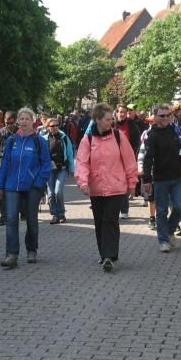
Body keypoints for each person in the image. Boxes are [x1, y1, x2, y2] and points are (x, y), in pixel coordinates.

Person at [75, 102, 138, 272]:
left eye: (112, 119)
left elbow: (129, 161)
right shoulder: (88, 139)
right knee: (100, 221)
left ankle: (109, 256)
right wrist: (83, 182)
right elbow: (81, 163)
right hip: (96, 188)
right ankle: (105, 255)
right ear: (97, 119)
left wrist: (132, 183)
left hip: (116, 187)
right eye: (107, 119)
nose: (111, 122)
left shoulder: (118, 136)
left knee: (110, 220)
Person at [0, 107, 51, 268]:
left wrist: (39, 182)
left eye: (27, 118)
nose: (24, 121)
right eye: (21, 118)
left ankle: (31, 250)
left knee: (31, 220)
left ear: (33, 121)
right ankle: (11, 255)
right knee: (11, 219)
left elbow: (46, 164)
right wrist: (0, 185)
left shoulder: (39, 141)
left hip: (32, 187)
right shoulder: (11, 141)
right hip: (12, 186)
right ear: (17, 121)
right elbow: (5, 164)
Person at [142, 104, 181, 252]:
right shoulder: (152, 135)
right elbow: (148, 159)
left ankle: (169, 230)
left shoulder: (178, 131)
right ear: (156, 117)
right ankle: (163, 241)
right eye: (162, 115)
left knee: (179, 207)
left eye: (168, 115)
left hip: (177, 177)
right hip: (160, 179)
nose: (166, 118)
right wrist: (146, 180)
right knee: (161, 211)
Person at [41, 116, 75, 225]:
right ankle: (55, 215)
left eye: (57, 125)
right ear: (47, 127)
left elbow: (70, 153)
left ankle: (61, 214)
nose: (55, 127)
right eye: (52, 126)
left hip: (62, 169)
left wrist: (72, 169)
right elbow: (40, 155)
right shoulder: (43, 139)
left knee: (58, 192)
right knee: (51, 194)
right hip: (49, 170)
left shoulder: (64, 137)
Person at [114, 104, 142, 219]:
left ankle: (124, 210)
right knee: (115, 184)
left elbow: (137, 142)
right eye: (120, 112)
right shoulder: (111, 124)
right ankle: (114, 209)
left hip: (127, 160)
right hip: (113, 160)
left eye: (124, 112)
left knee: (124, 185)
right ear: (116, 113)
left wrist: (131, 156)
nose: (122, 114)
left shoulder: (132, 125)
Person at [0, 111, 17, 225]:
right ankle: (3, 216)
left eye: (11, 123)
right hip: (4, 164)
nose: (9, 125)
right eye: (7, 123)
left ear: (15, 121)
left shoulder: (20, 132)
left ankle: (23, 211)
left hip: (18, 164)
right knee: (2, 190)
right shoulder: (1, 132)